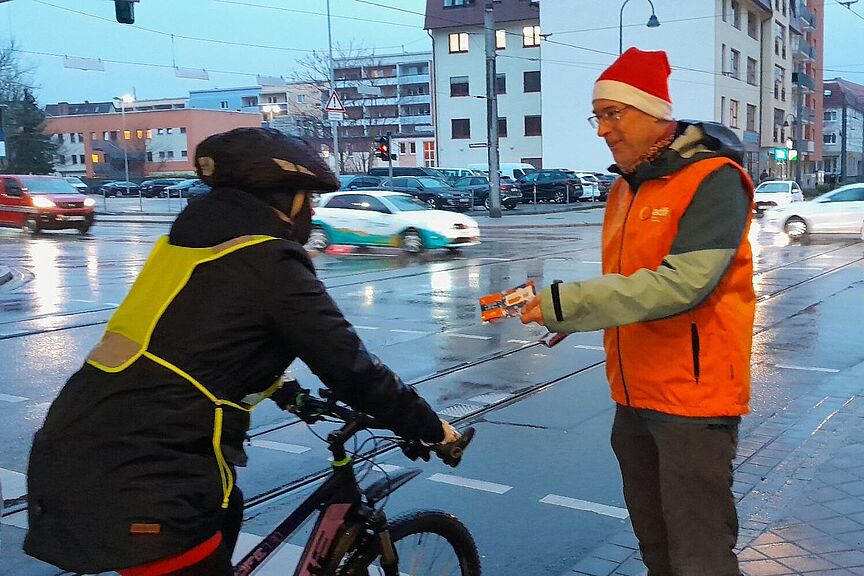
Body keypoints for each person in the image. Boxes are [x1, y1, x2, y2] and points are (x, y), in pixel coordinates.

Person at [24, 128, 459, 576]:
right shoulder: (268, 261)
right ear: (282, 200)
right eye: (306, 198)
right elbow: (353, 368)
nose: (311, 211)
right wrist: (430, 428)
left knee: (227, 506)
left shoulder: (185, 248)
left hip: (84, 448)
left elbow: (203, 345)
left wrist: (286, 392)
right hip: (149, 479)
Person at [521, 48, 754, 576]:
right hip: (634, 397)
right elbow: (629, 284)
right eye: (598, 116)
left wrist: (570, 303)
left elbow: (682, 286)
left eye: (613, 114)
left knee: (700, 555)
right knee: (655, 545)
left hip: (692, 403)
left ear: (655, 115)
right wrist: (574, 317)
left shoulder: (714, 179)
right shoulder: (625, 188)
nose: (603, 130)